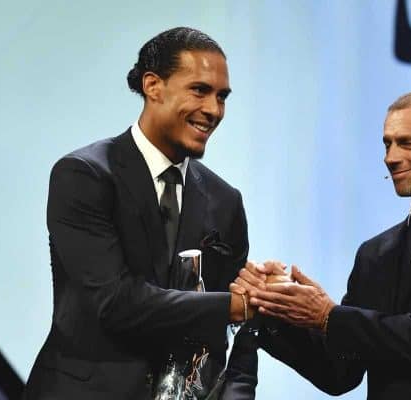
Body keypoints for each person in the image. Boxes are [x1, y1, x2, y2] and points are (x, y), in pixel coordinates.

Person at [234, 89, 411, 399]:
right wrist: (273, 306)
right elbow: (339, 372)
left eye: (407, 143)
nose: (391, 158)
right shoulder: (376, 253)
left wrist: (328, 316)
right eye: (387, 144)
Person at [24, 27, 257, 400]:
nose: (214, 110)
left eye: (222, 97)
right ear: (153, 86)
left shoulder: (225, 200)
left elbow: (234, 335)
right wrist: (234, 306)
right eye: (200, 90)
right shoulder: (84, 175)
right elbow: (116, 303)